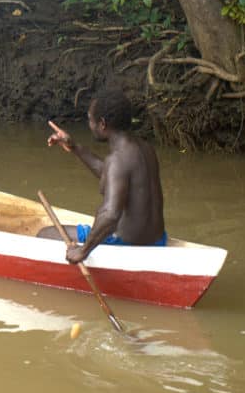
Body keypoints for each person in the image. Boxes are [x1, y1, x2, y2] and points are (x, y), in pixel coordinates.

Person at [40, 88, 167, 264]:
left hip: (127, 244)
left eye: (90, 119)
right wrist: (74, 147)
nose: (89, 124)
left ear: (102, 124)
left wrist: (82, 251)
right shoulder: (145, 148)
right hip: (158, 241)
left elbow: (110, 215)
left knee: (44, 234)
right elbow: (112, 176)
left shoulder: (117, 160)